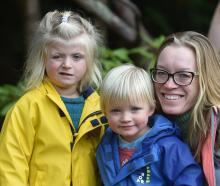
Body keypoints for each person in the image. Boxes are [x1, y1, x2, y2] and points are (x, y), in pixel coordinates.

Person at [0, 10, 107, 186]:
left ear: (90, 61)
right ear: (43, 59)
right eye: (57, 56)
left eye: (76, 57)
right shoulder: (29, 106)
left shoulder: (100, 108)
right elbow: (11, 164)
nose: (66, 64)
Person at [96, 64, 204, 185]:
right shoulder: (105, 145)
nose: (125, 118)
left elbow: (188, 179)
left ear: (151, 109)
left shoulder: (168, 147)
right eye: (116, 110)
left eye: (135, 109)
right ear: (104, 112)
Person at [150, 31, 220, 186]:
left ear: (205, 78)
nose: (168, 85)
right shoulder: (138, 120)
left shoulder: (217, 131)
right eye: (162, 73)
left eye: (183, 75)